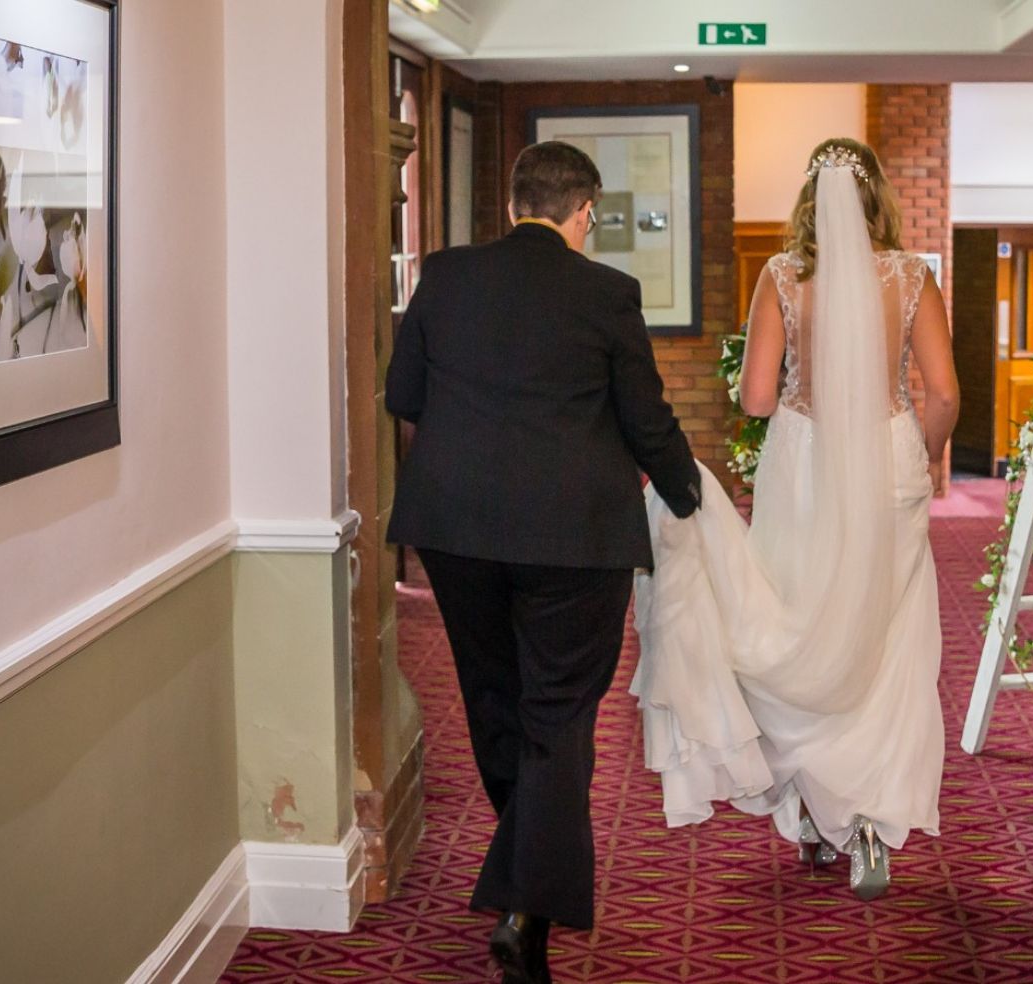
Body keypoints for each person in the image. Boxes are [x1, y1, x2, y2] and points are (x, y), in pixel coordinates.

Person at [385, 140, 701, 984]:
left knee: (494, 698)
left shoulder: (445, 276)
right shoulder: (606, 292)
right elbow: (645, 417)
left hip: (453, 530)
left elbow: (402, 396)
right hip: (574, 535)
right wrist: (688, 493)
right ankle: (526, 914)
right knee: (557, 714)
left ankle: (523, 881)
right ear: (585, 211)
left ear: (513, 199)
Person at [632, 138, 959, 902]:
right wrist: (922, 456)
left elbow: (753, 399)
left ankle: (814, 810)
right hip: (890, 460)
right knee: (884, 636)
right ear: (877, 195)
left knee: (796, 616)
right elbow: (942, 393)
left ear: (809, 199)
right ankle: (869, 824)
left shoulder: (781, 276)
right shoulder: (913, 277)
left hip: (805, 461)